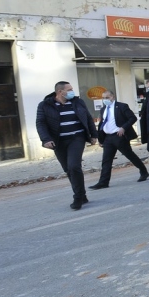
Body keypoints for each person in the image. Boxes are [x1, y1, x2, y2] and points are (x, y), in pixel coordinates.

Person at [35, 81, 99, 210]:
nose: (72, 91)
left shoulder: (77, 102)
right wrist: (45, 139)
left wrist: (94, 135)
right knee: (68, 169)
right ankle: (82, 194)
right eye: (69, 89)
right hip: (59, 141)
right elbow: (40, 123)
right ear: (60, 92)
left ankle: (78, 197)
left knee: (74, 166)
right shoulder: (45, 105)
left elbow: (87, 117)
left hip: (77, 138)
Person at [89, 89, 149, 189]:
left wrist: (123, 128)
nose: (105, 100)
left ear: (113, 97)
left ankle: (143, 171)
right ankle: (103, 182)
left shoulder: (122, 106)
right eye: (103, 98)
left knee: (129, 155)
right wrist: (100, 139)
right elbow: (102, 123)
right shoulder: (104, 109)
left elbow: (132, 118)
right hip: (108, 137)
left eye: (107, 97)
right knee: (106, 160)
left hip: (119, 136)